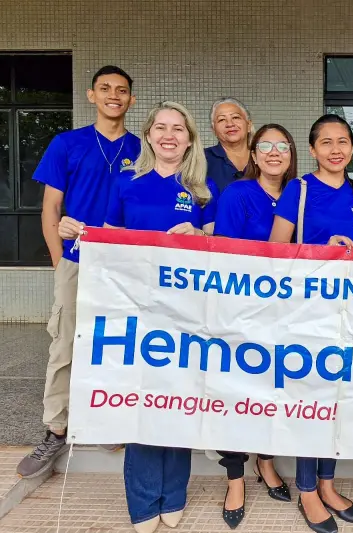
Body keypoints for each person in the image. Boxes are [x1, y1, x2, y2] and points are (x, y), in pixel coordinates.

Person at [99, 101, 218, 533]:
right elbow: (109, 242)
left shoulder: (203, 190)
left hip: (186, 311)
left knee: (180, 400)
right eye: (161, 128)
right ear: (148, 135)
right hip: (137, 308)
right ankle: (144, 500)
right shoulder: (126, 182)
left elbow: (220, 250)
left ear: (189, 139)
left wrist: (199, 235)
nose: (170, 135)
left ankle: (175, 493)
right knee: (144, 400)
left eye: (178, 129)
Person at [17, 65, 140, 478]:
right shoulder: (67, 144)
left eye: (121, 90)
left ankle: (106, 420)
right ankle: (56, 428)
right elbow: (51, 208)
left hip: (123, 269)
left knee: (118, 344)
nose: (113, 95)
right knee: (65, 345)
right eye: (105, 88)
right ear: (92, 95)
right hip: (76, 260)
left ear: (131, 100)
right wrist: (60, 262)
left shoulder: (142, 149)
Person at [269, 114, 353, 533]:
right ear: (312, 150)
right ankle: (307, 489)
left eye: (342, 141)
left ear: (352, 148)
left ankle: (327, 484)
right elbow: (275, 249)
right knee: (310, 400)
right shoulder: (300, 189)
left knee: (338, 399)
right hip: (307, 311)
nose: (335, 149)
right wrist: (321, 250)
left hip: (350, 313)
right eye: (326, 142)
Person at [212, 123, 299, 529]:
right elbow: (226, 254)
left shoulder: (300, 194)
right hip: (243, 309)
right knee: (235, 392)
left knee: (274, 391)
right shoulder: (238, 193)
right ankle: (235, 479)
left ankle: (266, 461)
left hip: (287, 312)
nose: (274, 152)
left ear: (292, 153)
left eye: (282, 145)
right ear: (253, 153)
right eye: (265, 145)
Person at [205, 97, 254, 192]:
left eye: (235, 117)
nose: (230, 124)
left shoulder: (263, 157)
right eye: (221, 120)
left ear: (248, 125)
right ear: (213, 130)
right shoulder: (201, 159)